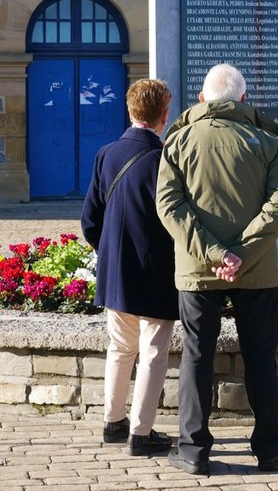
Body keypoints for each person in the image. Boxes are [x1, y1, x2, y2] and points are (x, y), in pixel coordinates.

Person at [156, 63, 278, 476]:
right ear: (243, 99)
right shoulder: (267, 141)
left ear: (202, 99)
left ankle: (193, 450)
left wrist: (216, 253)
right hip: (255, 272)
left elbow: (169, 205)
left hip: (197, 269)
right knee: (261, 359)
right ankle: (270, 448)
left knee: (197, 358)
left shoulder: (178, 140)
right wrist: (240, 254)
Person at [81, 78, 179, 456]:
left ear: (130, 110)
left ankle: (113, 421)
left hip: (116, 271)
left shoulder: (106, 153)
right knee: (153, 351)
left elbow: (91, 220)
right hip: (155, 271)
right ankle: (141, 432)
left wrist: (109, 252)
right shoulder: (165, 158)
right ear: (164, 115)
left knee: (120, 347)